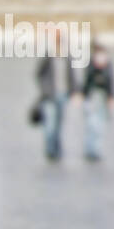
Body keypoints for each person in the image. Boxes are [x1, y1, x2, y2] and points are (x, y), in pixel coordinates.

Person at [35, 25, 81, 162]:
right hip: (49, 96)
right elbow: (39, 74)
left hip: (62, 96)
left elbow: (72, 76)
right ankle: (50, 151)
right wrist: (45, 90)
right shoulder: (48, 57)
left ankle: (57, 150)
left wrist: (75, 92)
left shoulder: (67, 57)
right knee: (50, 124)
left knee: (58, 125)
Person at [81, 40, 114, 162]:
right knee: (92, 124)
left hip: (102, 97)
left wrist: (111, 97)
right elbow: (86, 81)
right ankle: (90, 149)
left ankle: (96, 150)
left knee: (100, 124)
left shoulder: (108, 64)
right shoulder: (91, 63)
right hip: (92, 95)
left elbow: (111, 81)